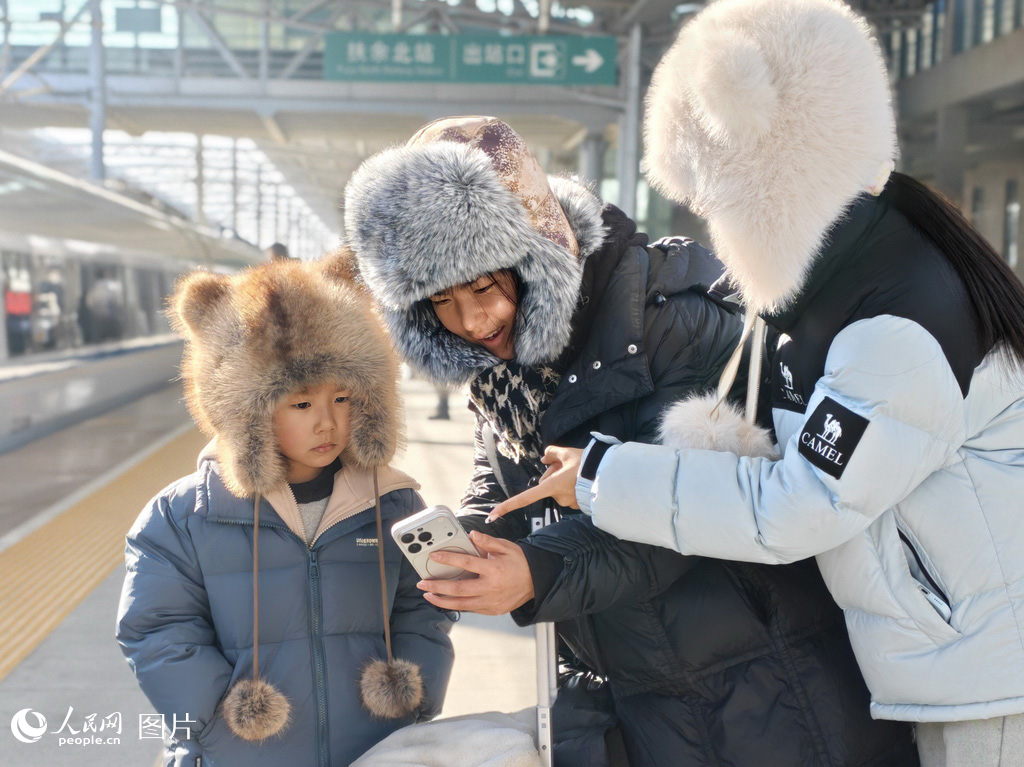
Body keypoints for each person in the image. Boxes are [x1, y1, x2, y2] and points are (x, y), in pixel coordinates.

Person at [491, 1, 1024, 765]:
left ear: (764, 175)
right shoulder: (860, 272)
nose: (706, 219)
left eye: (709, 193)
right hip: (961, 667)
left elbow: (799, 505)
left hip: (992, 685)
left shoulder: (893, 319)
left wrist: (605, 475)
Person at [343, 115, 918, 765]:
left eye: (485, 285)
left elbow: (690, 509)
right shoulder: (503, 371)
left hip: (770, 692)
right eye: (441, 301)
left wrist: (540, 569)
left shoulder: (675, 319)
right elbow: (500, 474)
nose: (474, 321)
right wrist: (481, 537)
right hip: (639, 700)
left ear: (539, 249)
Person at [116, 255, 455, 767]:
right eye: (300, 404)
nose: (328, 423)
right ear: (246, 412)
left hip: (372, 748)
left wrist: (414, 691)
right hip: (238, 751)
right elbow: (158, 631)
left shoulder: (392, 502)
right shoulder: (184, 516)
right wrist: (212, 721)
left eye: (342, 398)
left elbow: (426, 606)